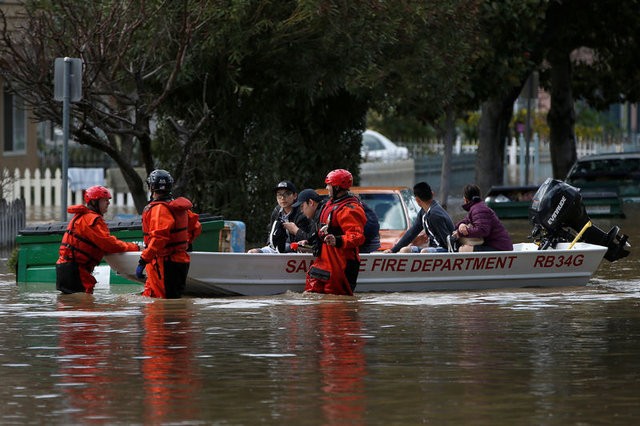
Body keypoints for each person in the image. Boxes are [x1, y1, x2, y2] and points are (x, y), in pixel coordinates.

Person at [56, 185, 140, 294]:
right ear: (95, 202)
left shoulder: (82, 217)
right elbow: (109, 245)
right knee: (84, 305)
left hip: (67, 268)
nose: (108, 203)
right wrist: (135, 247)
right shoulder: (91, 220)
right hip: (76, 270)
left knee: (71, 304)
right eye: (105, 200)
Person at [136, 169, 202, 298]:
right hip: (177, 261)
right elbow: (196, 227)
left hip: (164, 263)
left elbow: (159, 238)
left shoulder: (159, 209)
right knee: (153, 297)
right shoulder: (177, 208)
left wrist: (143, 260)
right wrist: (184, 243)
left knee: (163, 304)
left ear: (151, 187)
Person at [304, 169, 367, 296]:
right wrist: (310, 241)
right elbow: (321, 227)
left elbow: (357, 237)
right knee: (311, 296)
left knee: (336, 307)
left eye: (329, 185)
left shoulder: (349, 209)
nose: (327, 188)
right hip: (324, 261)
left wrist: (337, 240)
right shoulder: (330, 204)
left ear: (337, 187)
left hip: (341, 263)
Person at [286, 188, 380, 253]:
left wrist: (296, 231)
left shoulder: (327, 212)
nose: (301, 211)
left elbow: (353, 237)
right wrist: (310, 243)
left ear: (311, 203)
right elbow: (317, 237)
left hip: (363, 248)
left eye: (302, 207)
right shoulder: (322, 211)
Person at [384, 182, 454, 253]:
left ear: (417, 200)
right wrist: (393, 250)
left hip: (445, 249)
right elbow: (412, 232)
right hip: (431, 248)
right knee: (405, 250)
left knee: (425, 252)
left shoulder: (435, 214)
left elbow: (447, 240)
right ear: (432, 194)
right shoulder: (423, 211)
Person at [248, 180, 312, 253]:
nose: (282, 198)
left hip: (296, 249)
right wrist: (270, 245)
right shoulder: (276, 210)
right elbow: (271, 233)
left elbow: (306, 239)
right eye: (279, 195)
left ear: (295, 196)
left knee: (285, 249)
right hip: (277, 248)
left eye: (287, 194)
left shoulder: (302, 212)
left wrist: (295, 230)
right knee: (253, 252)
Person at [453, 183, 513, 252]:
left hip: (499, 248)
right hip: (495, 245)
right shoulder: (477, 207)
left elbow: (482, 230)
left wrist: (461, 233)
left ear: (465, 199)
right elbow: (466, 221)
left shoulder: (479, 209)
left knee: (464, 249)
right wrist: (459, 226)